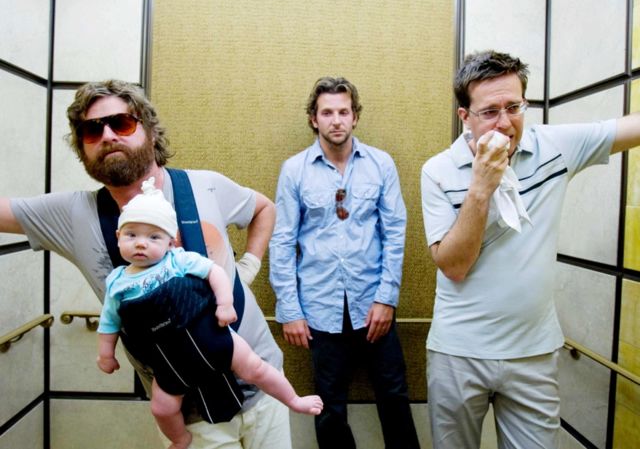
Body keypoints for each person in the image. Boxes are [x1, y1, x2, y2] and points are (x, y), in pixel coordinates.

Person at [0, 79, 294, 449]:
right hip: (186, 416)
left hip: (264, 386)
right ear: (82, 147)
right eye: (92, 130)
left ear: (151, 132)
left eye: (121, 123)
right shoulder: (73, 214)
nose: (108, 135)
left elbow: (264, 209)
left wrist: (247, 267)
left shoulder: (205, 185)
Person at [420, 50, 640, 449]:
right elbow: (453, 266)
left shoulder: (552, 147)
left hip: (533, 352)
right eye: (490, 112)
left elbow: (628, 129)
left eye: (514, 107)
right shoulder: (438, 170)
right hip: (458, 353)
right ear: (465, 116)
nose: (505, 123)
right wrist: (480, 186)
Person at [97, 177, 322, 449]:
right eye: (132, 235)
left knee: (257, 367)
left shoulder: (178, 260)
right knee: (161, 407)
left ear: (171, 242)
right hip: (170, 363)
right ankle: (180, 438)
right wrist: (106, 354)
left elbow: (214, 272)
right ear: (118, 237)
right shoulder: (117, 282)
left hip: (214, 339)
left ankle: (294, 400)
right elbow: (109, 322)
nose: (141, 244)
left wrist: (225, 304)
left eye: (153, 237)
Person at [269, 76, 420, 449]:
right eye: (327, 112)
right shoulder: (295, 170)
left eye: (343, 111)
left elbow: (395, 234)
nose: (336, 120)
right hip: (320, 308)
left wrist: (387, 298)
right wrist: (289, 310)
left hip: (374, 305)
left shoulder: (380, 164)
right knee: (330, 408)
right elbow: (283, 240)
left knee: (395, 397)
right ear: (313, 118)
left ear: (355, 116)